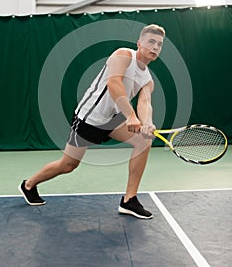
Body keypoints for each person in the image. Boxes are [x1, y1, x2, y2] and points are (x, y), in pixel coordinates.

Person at [19, 23, 165, 219]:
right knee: (68, 165)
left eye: (159, 44)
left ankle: (129, 200)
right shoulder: (123, 55)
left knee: (143, 141)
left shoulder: (147, 79)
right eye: (151, 42)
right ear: (139, 43)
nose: (155, 47)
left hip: (113, 119)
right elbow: (114, 83)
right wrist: (131, 115)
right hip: (89, 117)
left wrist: (147, 122)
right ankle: (28, 184)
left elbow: (145, 102)